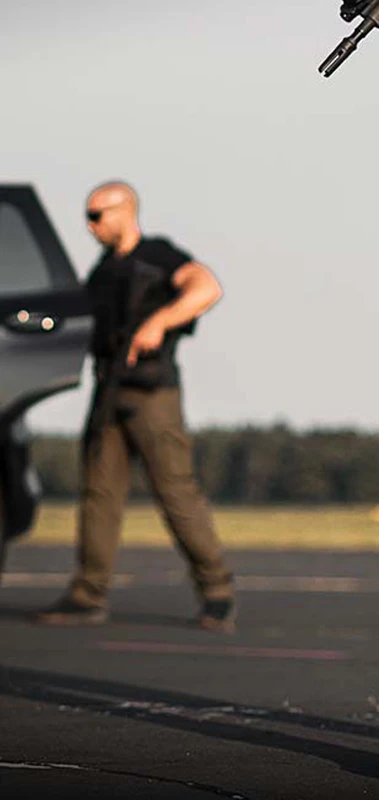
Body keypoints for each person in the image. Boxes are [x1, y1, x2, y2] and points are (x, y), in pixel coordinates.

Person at [37, 182, 236, 631]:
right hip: (108, 391)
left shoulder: (158, 254)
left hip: (151, 391)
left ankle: (217, 592)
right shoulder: (104, 270)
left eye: (95, 215)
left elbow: (207, 287)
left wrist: (158, 322)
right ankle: (88, 595)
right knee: (98, 495)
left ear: (122, 211)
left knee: (176, 494)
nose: (89, 226)